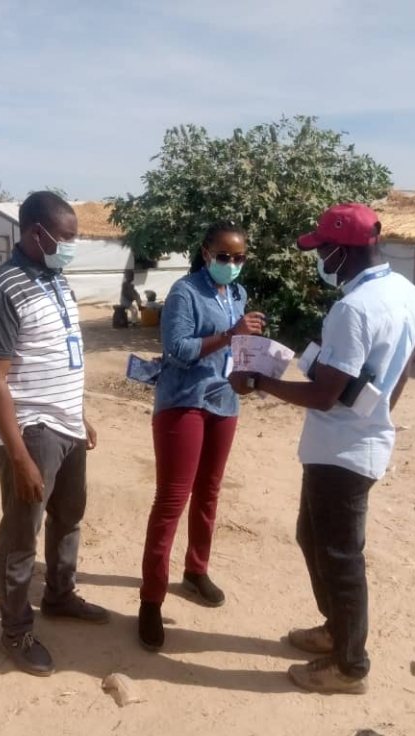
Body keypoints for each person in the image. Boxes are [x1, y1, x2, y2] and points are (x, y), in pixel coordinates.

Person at [229, 203, 415, 695]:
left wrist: (258, 383)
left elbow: (322, 394)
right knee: (311, 536)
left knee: (340, 555)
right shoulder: (406, 293)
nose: (319, 260)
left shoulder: (353, 308)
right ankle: (335, 629)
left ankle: (349, 665)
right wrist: (378, 412)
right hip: (357, 439)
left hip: (341, 451)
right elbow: (402, 369)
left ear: (343, 251)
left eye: (323, 250)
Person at [0, 191, 108, 677]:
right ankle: (15, 631)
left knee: (69, 515)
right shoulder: (1, 290)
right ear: (36, 233)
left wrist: (79, 413)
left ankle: (60, 595)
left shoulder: (55, 279)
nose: (72, 245)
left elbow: (59, 354)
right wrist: (20, 457)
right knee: (20, 534)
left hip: (66, 423)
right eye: (66, 237)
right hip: (31, 431)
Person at [138, 220, 266, 651]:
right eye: (225, 256)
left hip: (225, 402)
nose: (232, 264)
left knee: (209, 493)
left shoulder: (237, 294)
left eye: (240, 258)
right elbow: (177, 349)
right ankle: (151, 601)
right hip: (184, 403)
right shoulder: (185, 292)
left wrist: (253, 358)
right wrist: (231, 334)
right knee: (173, 499)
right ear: (206, 252)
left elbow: (234, 349)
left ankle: (195, 571)